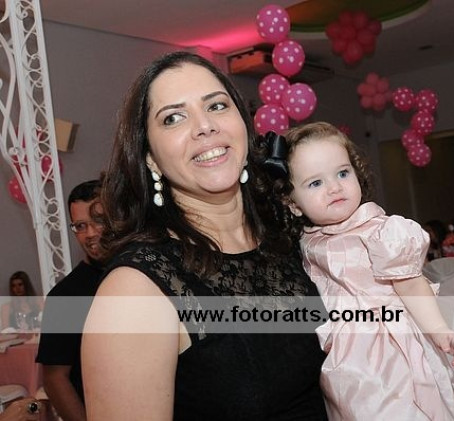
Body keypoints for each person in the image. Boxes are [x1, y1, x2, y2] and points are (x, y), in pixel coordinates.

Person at [81, 51, 327, 420]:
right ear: (150, 157)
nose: (204, 126)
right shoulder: (135, 290)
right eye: (173, 118)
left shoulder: (290, 234)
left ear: (243, 124)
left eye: (216, 105)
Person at [265, 122, 454, 420]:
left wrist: (438, 329)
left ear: (357, 172)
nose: (334, 187)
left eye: (342, 173)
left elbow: (411, 285)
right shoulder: (306, 243)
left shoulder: (381, 231)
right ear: (293, 204)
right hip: (347, 364)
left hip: (394, 351)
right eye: (315, 183)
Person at [36, 179, 105, 421]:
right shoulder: (66, 296)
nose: (91, 234)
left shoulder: (142, 272)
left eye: (99, 221)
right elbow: (55, 378)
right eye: (80, 226)